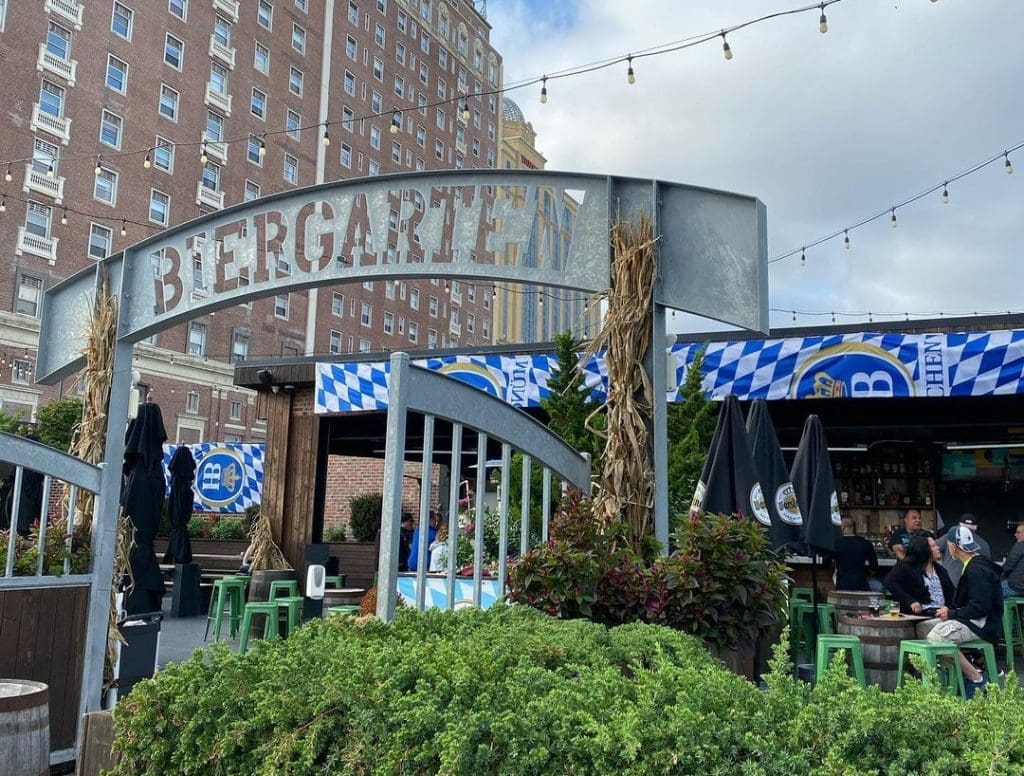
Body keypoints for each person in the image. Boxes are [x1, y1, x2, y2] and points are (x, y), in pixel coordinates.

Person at [921, 525, 1003, 693]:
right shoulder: (974, 564)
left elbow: (980, 607)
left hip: (981, 625)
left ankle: (975, 677)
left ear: (953, 546)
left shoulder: (976, 569)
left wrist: (951, 613)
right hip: (974, 620)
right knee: (922, 627)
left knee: (936, 638)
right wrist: (950, 611)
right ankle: (961, 671)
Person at [884, 534, 955, 630]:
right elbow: (890, 582)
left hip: (942, 613)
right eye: (933, 546)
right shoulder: (906, 567)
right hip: (922, 615)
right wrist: (910, 601)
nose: (938, 548)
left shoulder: (940, 570)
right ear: (924, 549)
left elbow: (951, 592)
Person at [937, 514, 991, 585]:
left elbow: (931, 548)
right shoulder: (984, 544)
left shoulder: (950, 537)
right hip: (975, 586)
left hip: (951, 585)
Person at [830, 517, 880, 591]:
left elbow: (828, 563)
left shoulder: (835, 544)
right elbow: (874, 568)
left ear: (842, 526)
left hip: (842, 586)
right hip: (861, 585)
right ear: (853, 527)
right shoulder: (865, 543)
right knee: (878, 586)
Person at [1000, 522, 1024, 598]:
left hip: (1015, 587)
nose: (1015, 535)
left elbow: (1008, 566)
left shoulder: (1020, 545)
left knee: (987, 591)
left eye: (1019, 532)